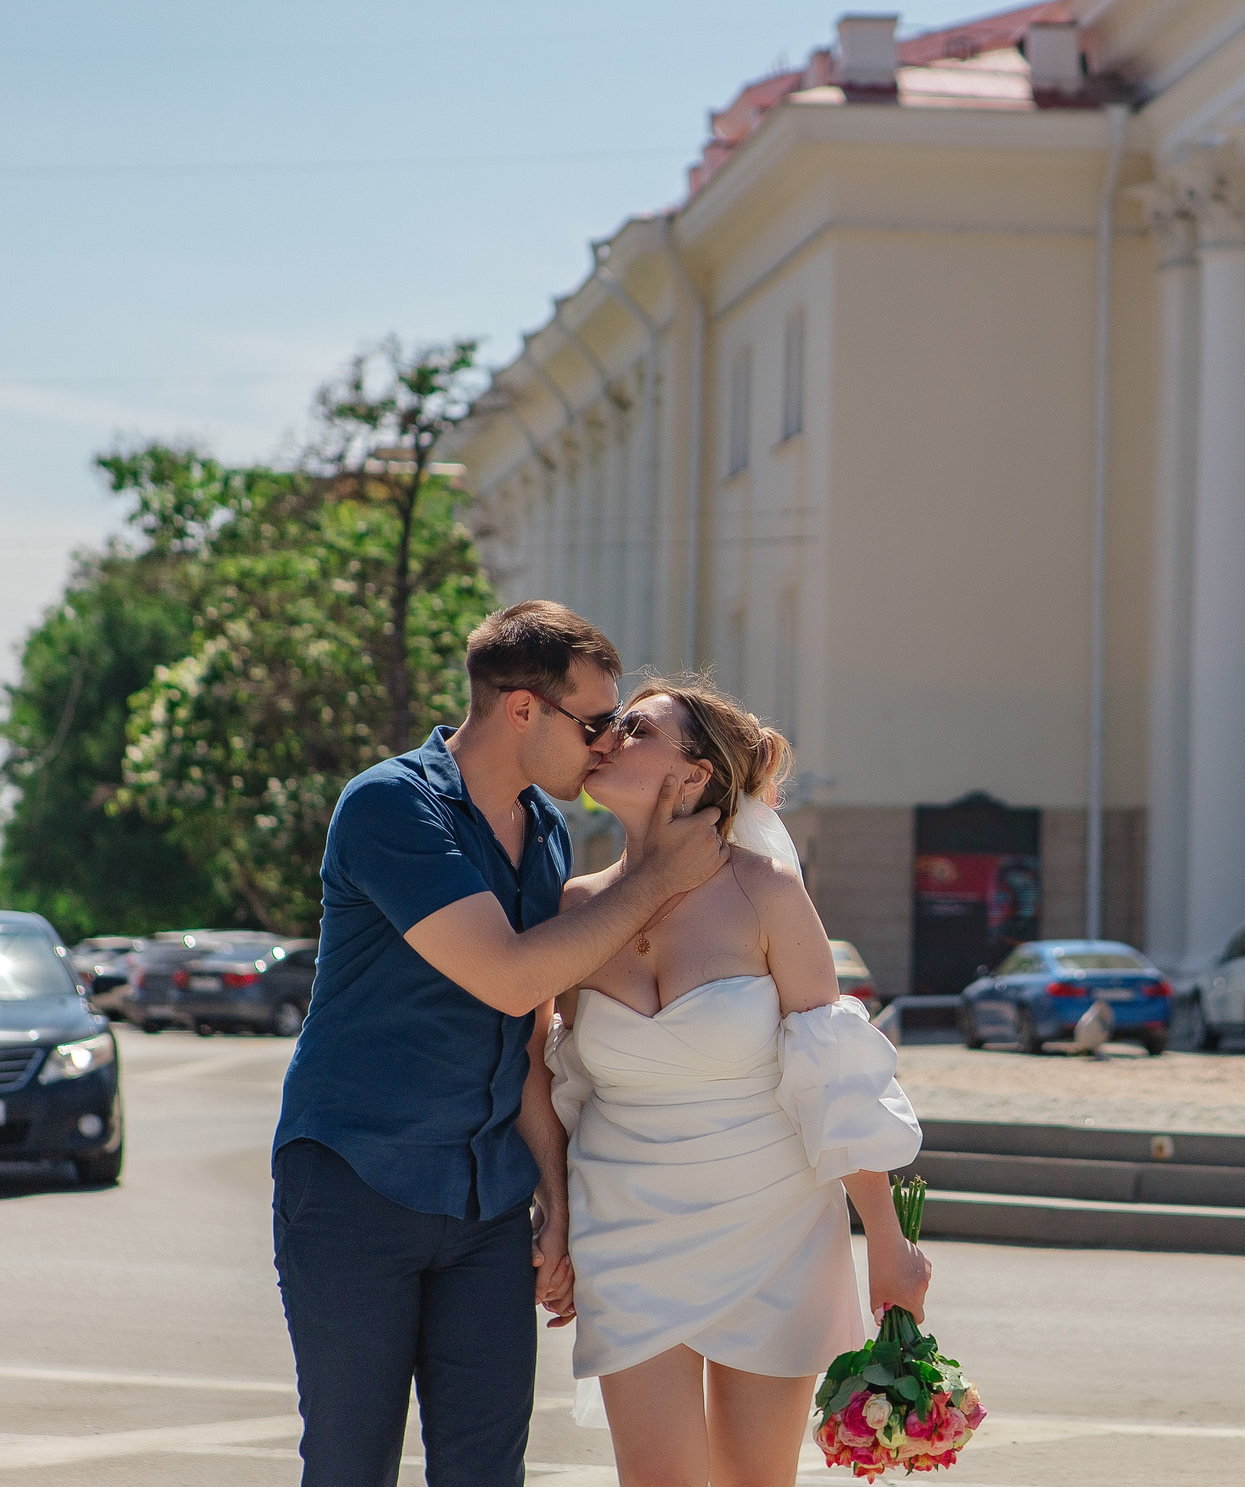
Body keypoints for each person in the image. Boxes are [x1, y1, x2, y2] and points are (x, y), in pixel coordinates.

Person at [271, 602, 727, 1487]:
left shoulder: (545, 830)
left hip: (485, 1203)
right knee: (349, 1463)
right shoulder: (390, 806)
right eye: (595, 722)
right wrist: (661, 874)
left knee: (487, 1471)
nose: (604, 745)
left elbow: (527, 1033)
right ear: (523, 709)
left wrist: (554, 1199)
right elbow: (512, 976)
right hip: (357, 1182)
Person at [523, 676, 929, 1487]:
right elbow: (546, 1074)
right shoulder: (574, 903)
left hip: (772, 1224)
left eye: (635, 727)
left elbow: (834, 1075)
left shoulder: (768, 893)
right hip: (626, 1226)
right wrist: (553, 1210)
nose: (605, 736)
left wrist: (889, 1241)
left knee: (753, 1478)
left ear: (696, 772)